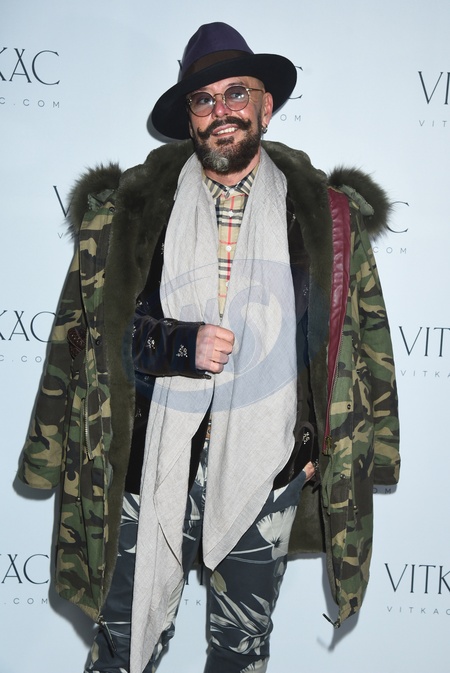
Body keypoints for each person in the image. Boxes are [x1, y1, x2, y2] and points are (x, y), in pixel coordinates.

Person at [18, 21, 400, 673]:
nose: (222, 110)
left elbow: (364, 343)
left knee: (241, 650)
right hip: (144, 461)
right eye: (204, 99)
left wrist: (352, 453)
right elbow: (89, 342)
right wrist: (180, 345)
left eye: (236, 93)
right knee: (122, 642)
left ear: (265, 106)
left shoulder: (325, 217)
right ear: (190, 118)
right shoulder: (128, 213)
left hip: (269, 469)